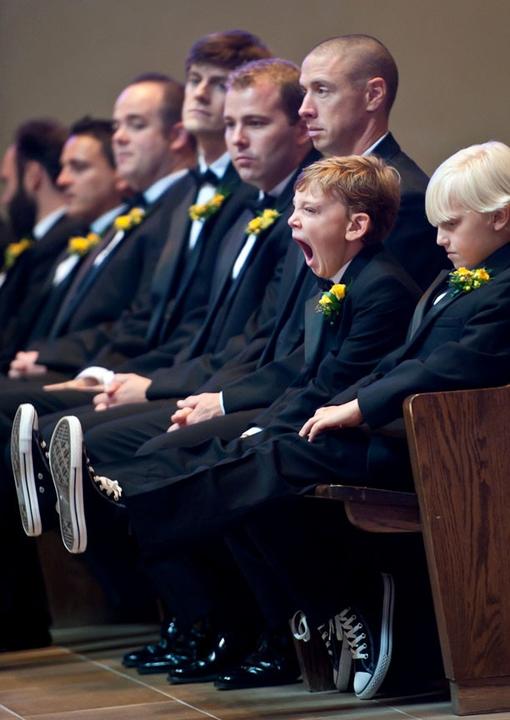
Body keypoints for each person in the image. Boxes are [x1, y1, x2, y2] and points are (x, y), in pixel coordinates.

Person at [37, 140, 510, 695]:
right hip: (412, 437)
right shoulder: (457, 280)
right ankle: (149, 503)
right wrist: (340, 404)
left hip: (441, 452)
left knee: (271, 464)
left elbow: (450, 365)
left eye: (450, 225)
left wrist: (357, 406)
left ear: (499, 216)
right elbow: (394, 364)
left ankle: (136, 499)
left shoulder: (492, 287)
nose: (438, 240)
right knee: (261, 457)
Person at [299, 34, 447, 290]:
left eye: (322, 90)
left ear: (373, 95)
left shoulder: (403, 196)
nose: (304, 109)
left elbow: (381, 302)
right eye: (305, 92)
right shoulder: (314, 189)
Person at [0, 117, 124, 364]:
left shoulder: (69, 237)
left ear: (119, 172)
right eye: (63, 167)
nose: (62, 180)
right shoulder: (85, 238)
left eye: (78, 167)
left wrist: (44, 357)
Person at [0, 119, 85, 342]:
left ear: (33, 175)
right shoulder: (36, 243)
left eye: (7, 183)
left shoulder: (62, 242)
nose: (4, 199)